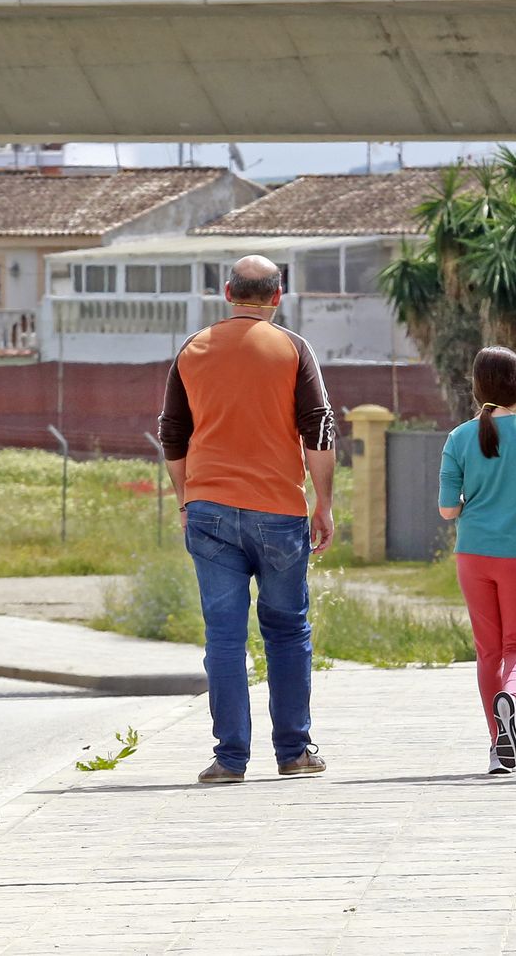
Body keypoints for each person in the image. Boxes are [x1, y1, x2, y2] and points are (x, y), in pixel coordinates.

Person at [158, 255, 336, 785]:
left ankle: (230, 758)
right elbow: (318, 429)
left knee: (224, 636)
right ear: (277, 297)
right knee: (287, 630)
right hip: (279, 511)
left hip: (209, 510)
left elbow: (172, 433)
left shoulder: (193, 349)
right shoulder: (293, 348)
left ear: (227, 292)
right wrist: (323, 502)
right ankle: (294, 751)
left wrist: (186, 499)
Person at [438, 347, 516, 775]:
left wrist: (472, 500)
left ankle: (497, 747)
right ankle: (513, 698)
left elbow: (447, 509)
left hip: (473, 554)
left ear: (476, 389)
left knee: (488, 651)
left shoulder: (458, 438)